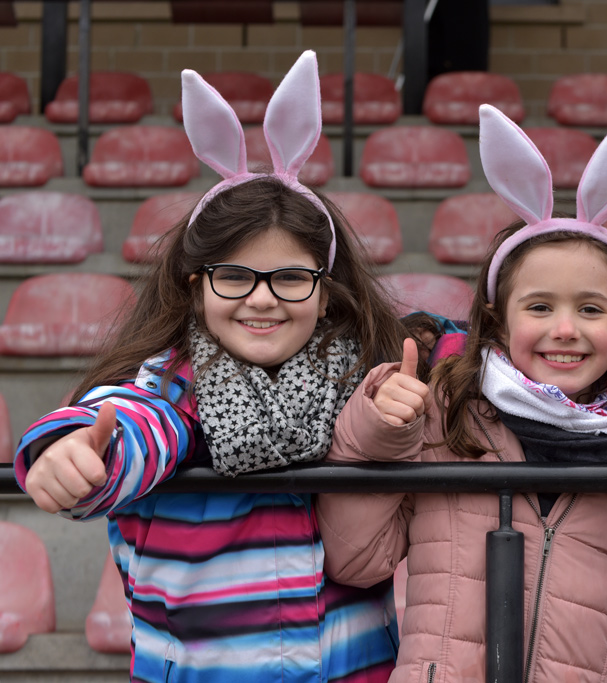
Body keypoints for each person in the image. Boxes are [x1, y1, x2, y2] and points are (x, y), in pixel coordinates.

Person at [13, 51, 406, 683]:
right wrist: (68, 452)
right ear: (196, 285)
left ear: (327, 290)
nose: (260, 298)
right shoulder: (171, 385)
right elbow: (131, 424)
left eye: (289, 278)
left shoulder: (367, 384)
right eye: (233, 277)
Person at [315, 95, 607, 683]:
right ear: (499, 319)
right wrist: (377, 434)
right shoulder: (447, 411)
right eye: (540, 306)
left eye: (592, 308)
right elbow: (357, 559)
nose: (566, 329)